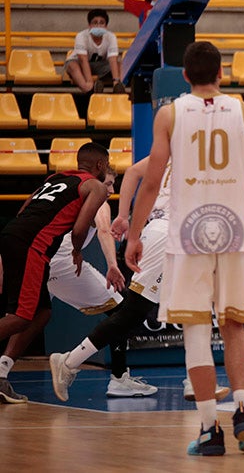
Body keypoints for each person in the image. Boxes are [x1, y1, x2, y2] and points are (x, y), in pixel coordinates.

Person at [122, 41, 244, 455]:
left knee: (197, 328)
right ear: (222, 73)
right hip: (234, 231)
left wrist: (134, 232)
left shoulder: (170, 113)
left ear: (184, 76)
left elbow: (151, 179)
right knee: (235, 323)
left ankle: (208, 429)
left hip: (187, 234)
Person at [50, 157, 229, 403]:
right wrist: (124, 219)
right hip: (168, 233)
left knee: (195, 308)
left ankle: (194, 379)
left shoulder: (177, 147)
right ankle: (69, 362)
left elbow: (134, 172)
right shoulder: (202, 151)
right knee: (133, 312)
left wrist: (124, 216)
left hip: (183, 234)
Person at [0, 143, 110, 404]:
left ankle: (2, 372)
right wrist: (77, 251)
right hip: (33, 245)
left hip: (14, 235)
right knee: (19, 317)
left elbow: (22, 211)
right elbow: (80, 228)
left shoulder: (55, 178)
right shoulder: (96, 186)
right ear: (100, 166)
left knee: (41, 313)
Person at [64, 9, 125, 94]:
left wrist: (116, 81)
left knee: (120, 64)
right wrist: (90, 81)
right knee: (72, 66)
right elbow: (83, 60)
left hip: (100, 65)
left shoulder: (111, 37)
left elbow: (112, 59)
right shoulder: (81, 36)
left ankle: (118, 88)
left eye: (101, 23)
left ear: (106, 26)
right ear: (89, 25)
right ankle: (89, 89)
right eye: (95, 22)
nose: (98, 25)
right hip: (79, 64)